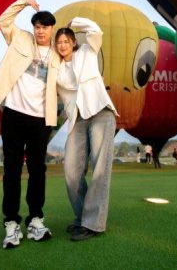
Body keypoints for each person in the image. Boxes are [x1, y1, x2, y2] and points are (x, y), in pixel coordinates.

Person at [0, 0, 60, 249]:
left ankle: (36, 220)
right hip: (14, 114)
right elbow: (2, 20)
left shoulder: (58, 55)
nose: (40, 30)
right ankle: (11, 223)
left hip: (41, 120)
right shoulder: (20, 38)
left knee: (38, 170)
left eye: (45, 27)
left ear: (52, 29)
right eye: (37, 26)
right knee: (12, 170)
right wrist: (24, 2)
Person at [55, 18, 117, 242]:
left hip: (100, 112)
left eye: (66, 40)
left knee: (100, 168)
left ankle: (94, 223)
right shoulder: (57, 69)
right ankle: (83, 217)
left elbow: (96, 29)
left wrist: (75, 21)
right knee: (71, 171)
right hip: (77, 120)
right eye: (59, 42)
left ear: (73, 42)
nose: (62, 45)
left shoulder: (88, 52)